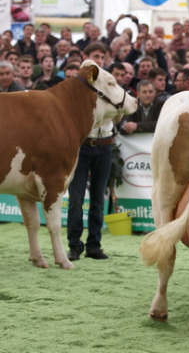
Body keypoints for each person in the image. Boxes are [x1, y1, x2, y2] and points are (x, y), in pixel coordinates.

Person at [66, 42, 114, 261]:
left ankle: (94, 245)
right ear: (85, 57)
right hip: (83, 145)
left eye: (102, 57)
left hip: (104, 145)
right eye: (95, 56)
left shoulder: (110, 83)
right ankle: (75, 245)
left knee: (97, 199)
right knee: (75, 198)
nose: (99, 60)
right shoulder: (78, 84)